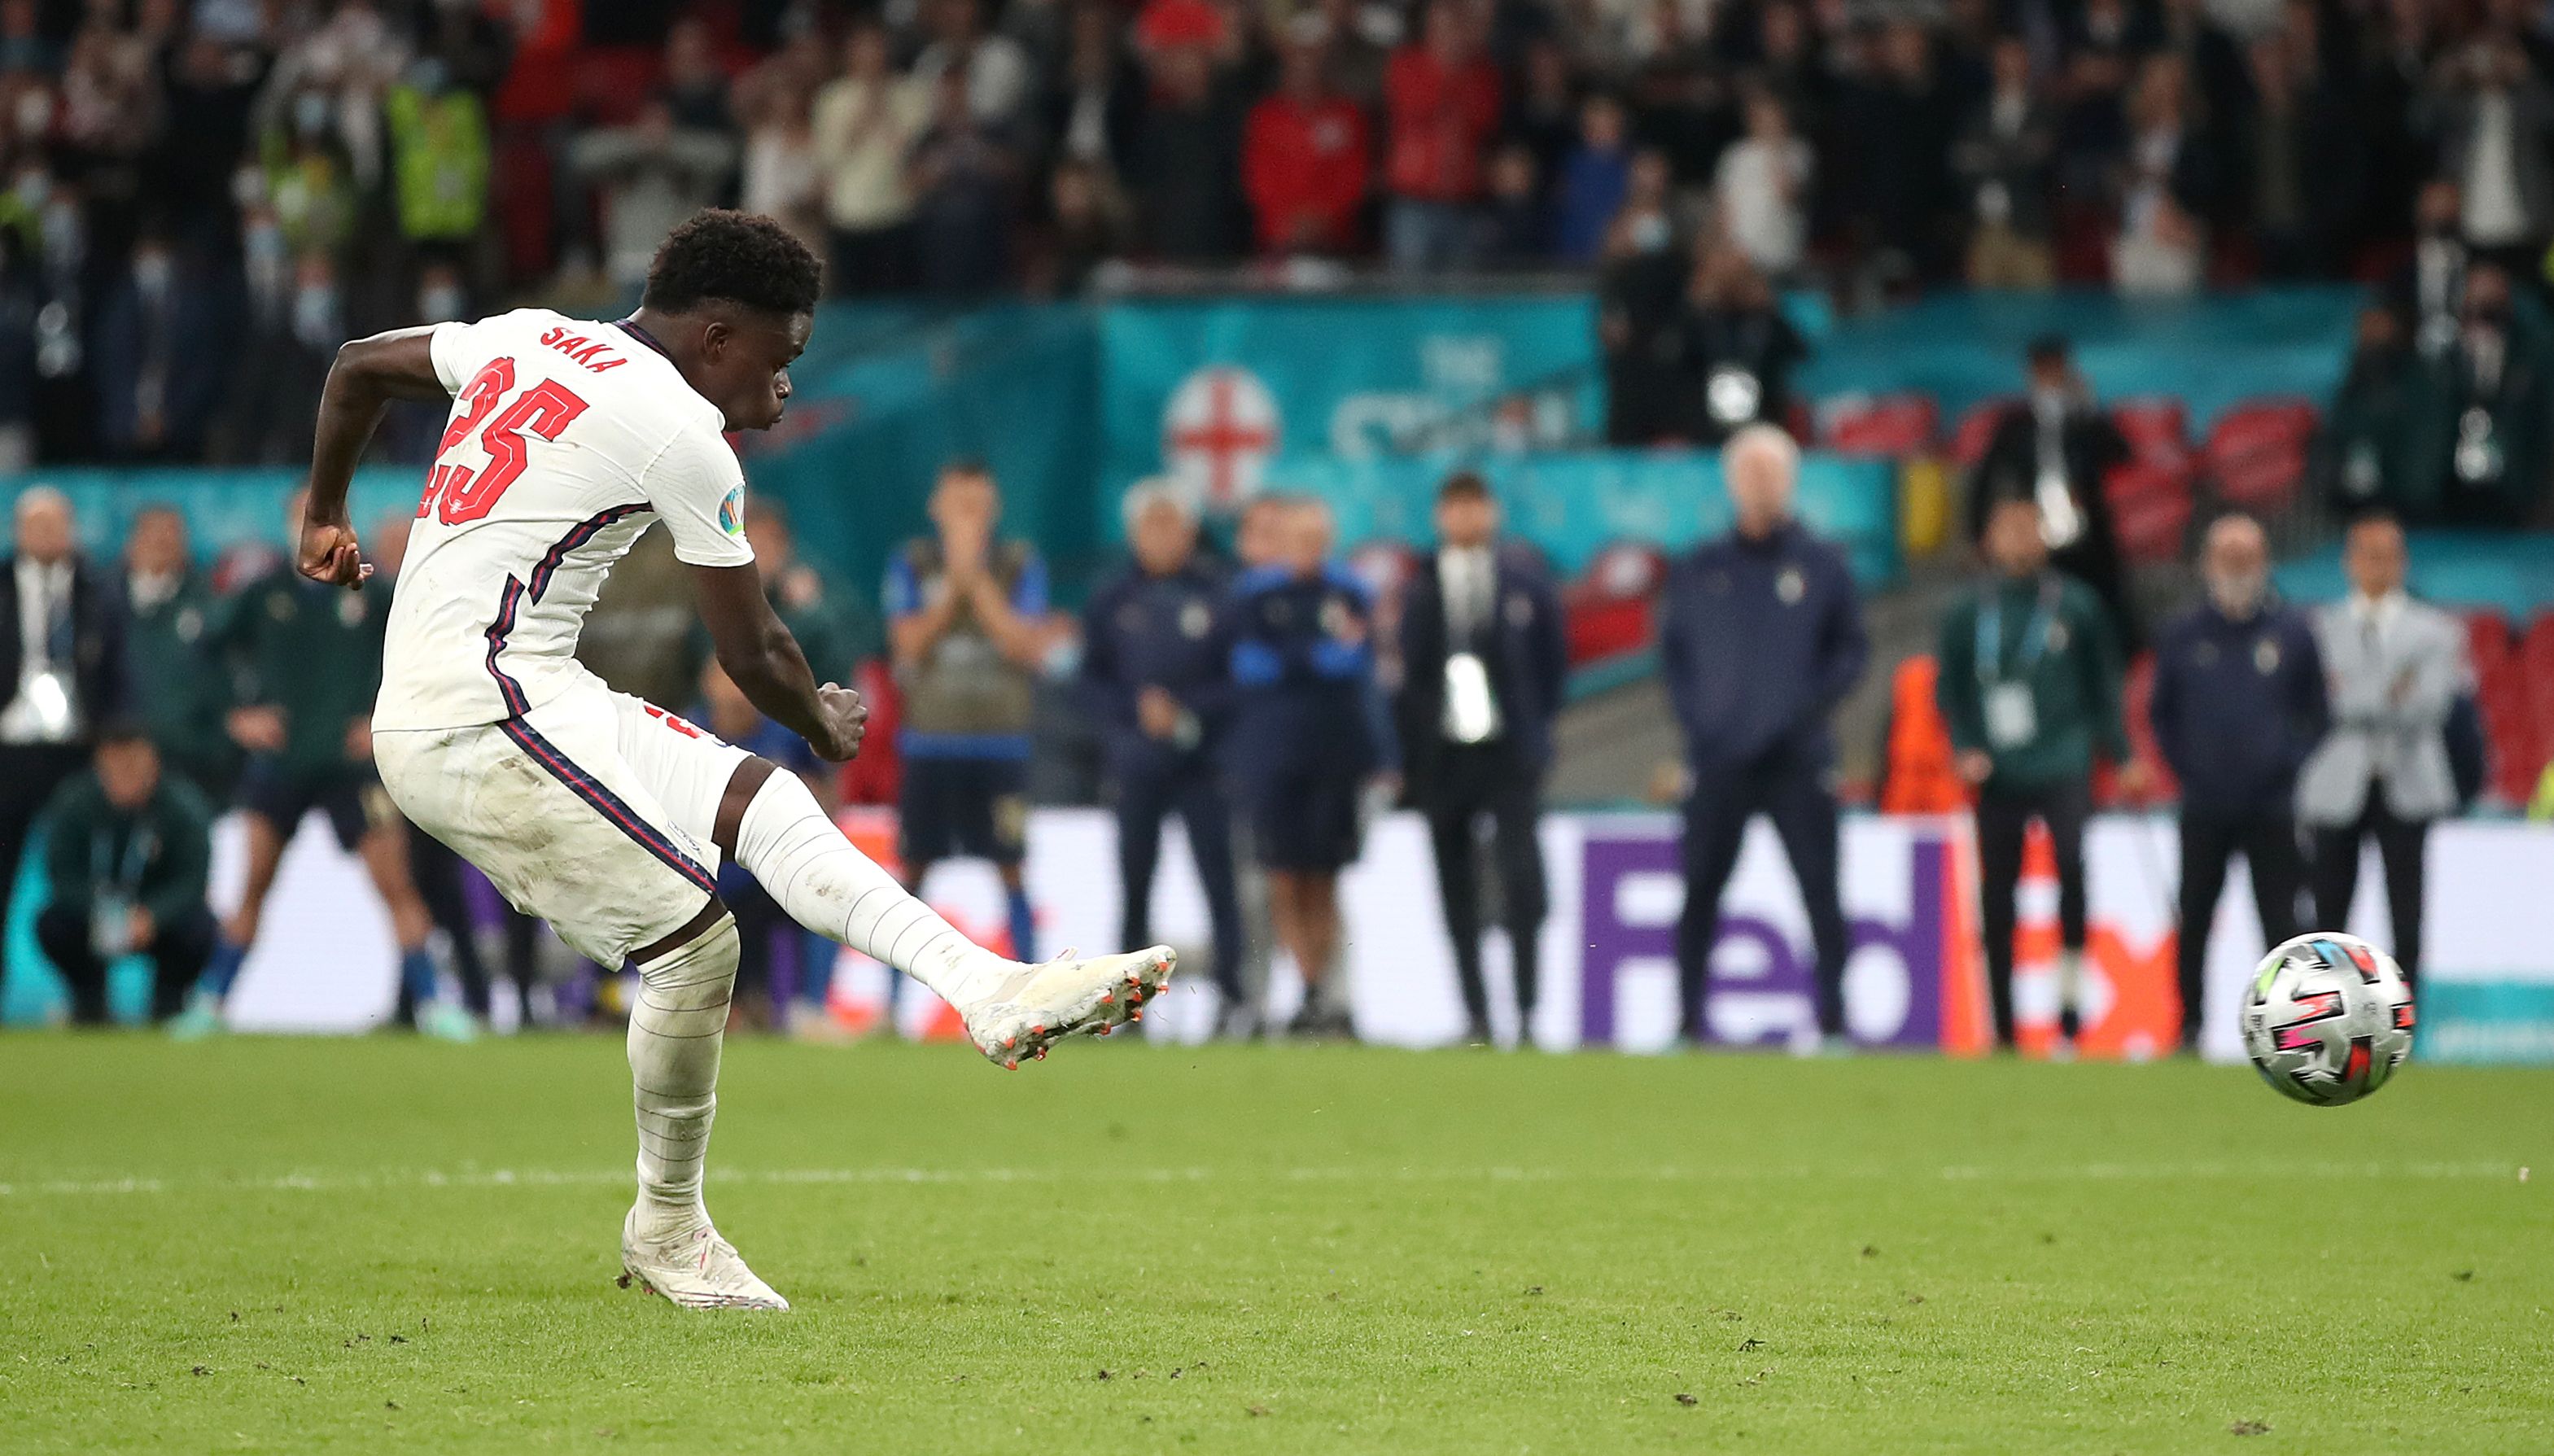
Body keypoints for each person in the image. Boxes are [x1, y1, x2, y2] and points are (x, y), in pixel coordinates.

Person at [303, 210, 1171, 1311]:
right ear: (717, 338)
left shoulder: (525, 335)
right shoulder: (679, 430)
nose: (785, 384)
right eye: (781, 356)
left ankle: (987, 989)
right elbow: (751, 650)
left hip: (525, 686)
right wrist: (823, 717)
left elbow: (354, 368)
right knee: (697, 944)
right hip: (477, 716)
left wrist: (324, 514)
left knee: (764, 800)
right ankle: (667, 1228)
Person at [169, 490, 474, 1043]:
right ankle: (211, 1003)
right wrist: (235, 716)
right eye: (308, 519)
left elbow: (424, 659)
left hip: (352, 767)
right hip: (280, 763)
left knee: (397, 886)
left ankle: (435, 1004)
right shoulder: (262, 595)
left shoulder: (375, 593)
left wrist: (383, 715)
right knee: (253, 885)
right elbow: (199, 656)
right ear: (292, 528)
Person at [1660, 426, 1869, 1050]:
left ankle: (1834, 1019)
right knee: (1699, 889)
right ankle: (1686, 1019)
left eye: (1770, 472)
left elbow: (1851, 651)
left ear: (1791, 480)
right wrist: (1702, 722)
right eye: (1748, 472)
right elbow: (1675, 658)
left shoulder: (1823, 564)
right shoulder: (1699, 569)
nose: (1759, 483)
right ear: (1730, 482)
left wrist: (1803, 711)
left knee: (1821, 890)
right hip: (1719, 758)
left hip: (1797, 759)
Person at [1936, 496, 2133, 1052]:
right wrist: (1965, 746)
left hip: (2063, 760)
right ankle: (2003, 1027)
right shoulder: (1968, 609)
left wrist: (2120, 753)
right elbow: (1950, 690)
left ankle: (2069, 1014)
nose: (2020, 540)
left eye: (2030, 528)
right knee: (1998, 897)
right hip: (1997, 770)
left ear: (2045, 537)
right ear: (1990, 539)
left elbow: (2105, 685)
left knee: (2072, 869)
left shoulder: (2076, 604)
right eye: (2009, 528)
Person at [1397, 473, 1566, 1047]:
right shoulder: (1420, 585)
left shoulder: (1524, 580)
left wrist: (1535, 736)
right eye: (1456, 507)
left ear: (1490, 513)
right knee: (1456, 884)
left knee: (1522, 882)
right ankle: (1476, 1014)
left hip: (1507, 753)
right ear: (1442, 515)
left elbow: (1552, 667)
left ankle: (1525, 1011)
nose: (1467, 518)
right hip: (1445, 758)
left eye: (1476, 506)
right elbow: (1411, 676)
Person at [2148, 514, 2327, 1051]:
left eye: (2246, 557)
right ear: (2207, 562)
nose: (2237, 567)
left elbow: (2318, 714)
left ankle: (2290, 1031)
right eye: (2227, 556)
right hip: (2203, 803)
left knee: (2280, 921)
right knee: (2195, 916)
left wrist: (2286, 762)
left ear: (2265, 561)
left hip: (2271, 804)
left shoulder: (2293, 632)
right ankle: (2189, 1026)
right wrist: (2188, 766)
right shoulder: (2182, 633)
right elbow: (2162, 713)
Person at [1081, 483, 1249, 1034]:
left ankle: (1235, 1000)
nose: (1160, 536)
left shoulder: (1219, 593)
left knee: (1219, 881)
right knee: (1134, 882)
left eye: (1170, 523)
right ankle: (1129, 1009)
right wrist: (1136, 709)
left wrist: (1184, 712)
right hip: (1137, 763)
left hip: (1204, 762)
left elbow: (1238, 680)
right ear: (1134, 533)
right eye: (1150, 525)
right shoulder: (1112, 598)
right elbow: (1090, 682)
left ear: (1189, 529)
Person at [1227, 496, 1396, 1038]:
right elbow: (1248, 665)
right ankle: (1299, 986)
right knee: (1281, 877)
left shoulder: (1348, 594)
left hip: (1333, 756)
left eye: (1313, 537)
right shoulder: (1257, 597)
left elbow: (1353, 662)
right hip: (1276, 757)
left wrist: (1293, 661)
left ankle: (1319, 992)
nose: (1305, 548)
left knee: (1323, 877)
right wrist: (1311, 659)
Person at [886, 460, 1056, 973]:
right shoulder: (912, 563)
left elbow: (1025, 646)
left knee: (1012, 868)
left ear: (995, 511)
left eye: (978, 508)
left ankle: (1032, 984)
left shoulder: (1018, 563)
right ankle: (891, 1006)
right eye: (959, 506)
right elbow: (908, 645)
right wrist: (952, 591)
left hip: (1000, 745)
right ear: (937, 508)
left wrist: (973, 580)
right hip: (929, 743)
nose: (968, 518)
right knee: (912, 869)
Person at [2298, 514, 2465, 990]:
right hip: (2337, 783)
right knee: (2327, 910)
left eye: (2388, 555)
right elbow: (2315, 705)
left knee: (2407, 911)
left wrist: (2350, 696)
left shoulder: (2436, 630)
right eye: (2368, 555)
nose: (2378, 565)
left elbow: (2430, 706)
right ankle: (2320, 1010)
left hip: (2407, 781)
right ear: (2349, 562)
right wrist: (2390, 691)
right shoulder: (2318, 629)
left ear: (2403, 562)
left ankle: (2405, 1019)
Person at [0, 488, 122, 951]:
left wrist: (115, 737)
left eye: (56, 525)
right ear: (18, 532)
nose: (48, 535)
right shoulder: (3, 587)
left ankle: (92, 1000)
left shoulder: (99, 589)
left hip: (79, 748)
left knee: (87, 878)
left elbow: (120, 668)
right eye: (37, 525)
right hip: (8, 750)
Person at [34, 722, 216, 1026]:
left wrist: (153, 915)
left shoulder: (183, 808)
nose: (124, 777)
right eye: (114, 767)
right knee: (54, 924)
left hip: (154, 919)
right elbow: (62, 875)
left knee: (199, 928)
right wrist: (100, 913)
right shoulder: (75, 804)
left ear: (153, 762)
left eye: (133, 766)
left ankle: (169, 1006)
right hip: (95, 917)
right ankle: (89, 1005)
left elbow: (192, 880)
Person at [1969, 335, 2139, 651]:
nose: (2049, 377)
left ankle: (2116, 656)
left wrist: (2087, 409)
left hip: (2085, 529)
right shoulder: (2015, 423)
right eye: (2042, 370)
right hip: (2034, 526)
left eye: (2055, 369)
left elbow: (2122, 452)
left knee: (2102, 602)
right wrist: (1979, 531)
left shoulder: (2084, 419)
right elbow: (1986, 476)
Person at [118, 506, 234, 802]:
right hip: (120, 752)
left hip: (192, 753)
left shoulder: (210, 602)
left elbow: (227, 671)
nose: (161, 545)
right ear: (131, 543)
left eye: (170, 536)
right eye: (153, 536)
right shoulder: (103, 600)